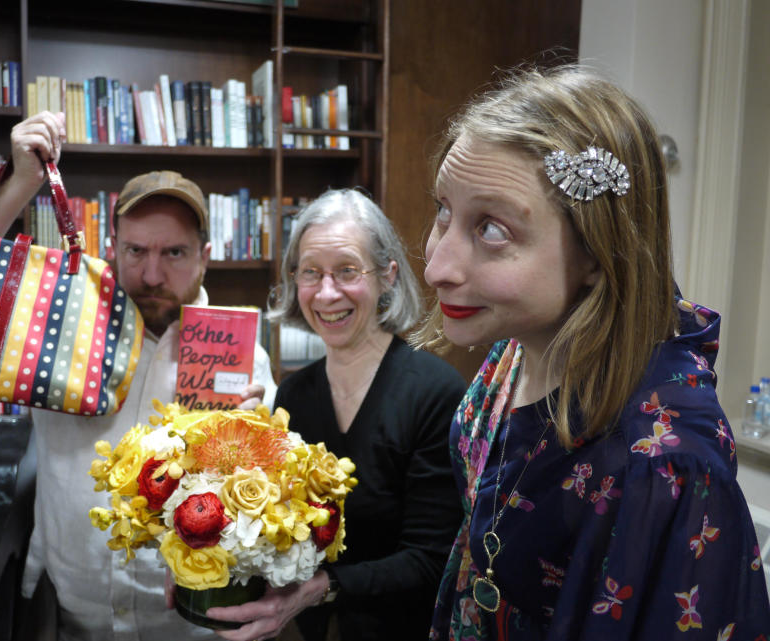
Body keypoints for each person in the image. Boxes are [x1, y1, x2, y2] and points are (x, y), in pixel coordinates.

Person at [417, 65, 770, 639]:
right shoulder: (518, 345)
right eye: (442, 211)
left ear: (596, 248)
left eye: (491, 229)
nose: (436, 266)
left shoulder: (664, 466)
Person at [0, 111, 278, 641]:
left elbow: (263, 515)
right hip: (69, 615)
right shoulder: (57, 325)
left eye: (174, 253)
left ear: (205, 259)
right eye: (136, 251)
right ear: (111, 247)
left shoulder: (243, 360)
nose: (152, 275)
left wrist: (256, 449)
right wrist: (21, 182)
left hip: (188, 625)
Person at [206, 188, 467, 641]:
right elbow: (282, 536)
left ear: (387, 276)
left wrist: (320, 590)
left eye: (347, 271)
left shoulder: (435, 392)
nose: (327, 293)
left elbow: (432, 559)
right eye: (311, 273)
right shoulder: (293, 395)